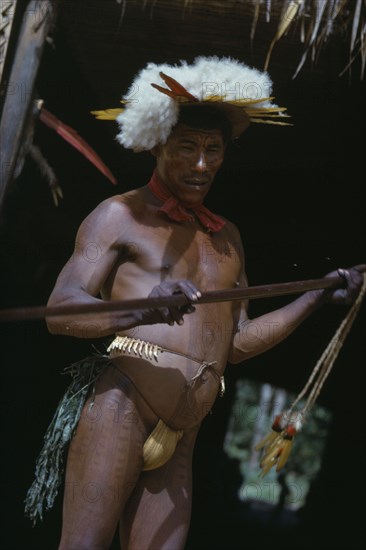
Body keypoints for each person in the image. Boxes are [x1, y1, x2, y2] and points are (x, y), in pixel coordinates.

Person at [25, 57, 364, 549]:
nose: (202, 164)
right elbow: (60, 309)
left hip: (185, 431)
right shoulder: (119, 215)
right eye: (187, 147)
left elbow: (240, 342)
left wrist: (314, 296)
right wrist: (142, 309)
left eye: (213, 150)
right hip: (122, 405)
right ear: (158, 143)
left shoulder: (228, 237)